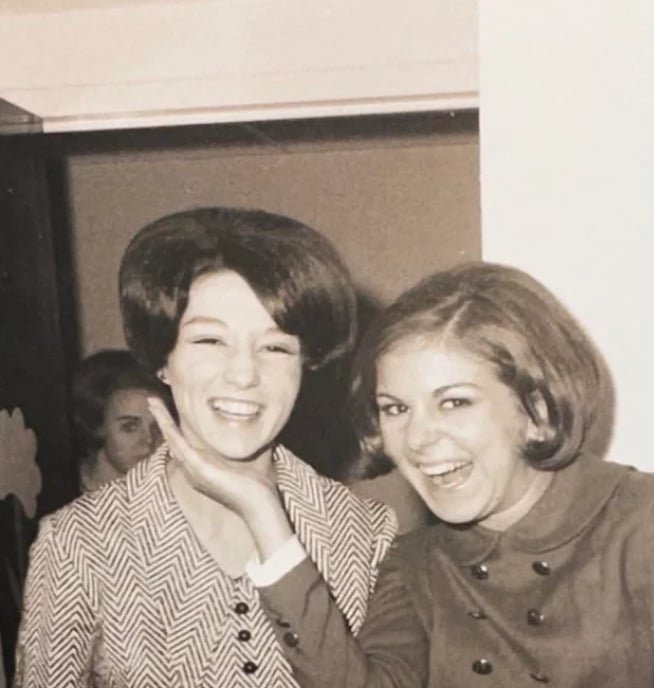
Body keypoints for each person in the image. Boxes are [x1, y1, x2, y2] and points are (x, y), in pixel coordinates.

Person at [153, 261, 654, 687]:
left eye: (454, 402)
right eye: (396, 409)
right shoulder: (416, 561)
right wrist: (265, 513)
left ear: (536, 409)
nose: (418, 439)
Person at [14, 207, 397, 687]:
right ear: (163, 363)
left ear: (305, 368)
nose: (243, 374)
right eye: (211, 340)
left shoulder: (366, 534)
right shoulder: (79, 542)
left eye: (275, 347)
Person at [71, 348, 169, 492]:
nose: (149, 441)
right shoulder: (68, 492)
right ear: (98, 426)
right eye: (130, 427)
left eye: (158, 428)